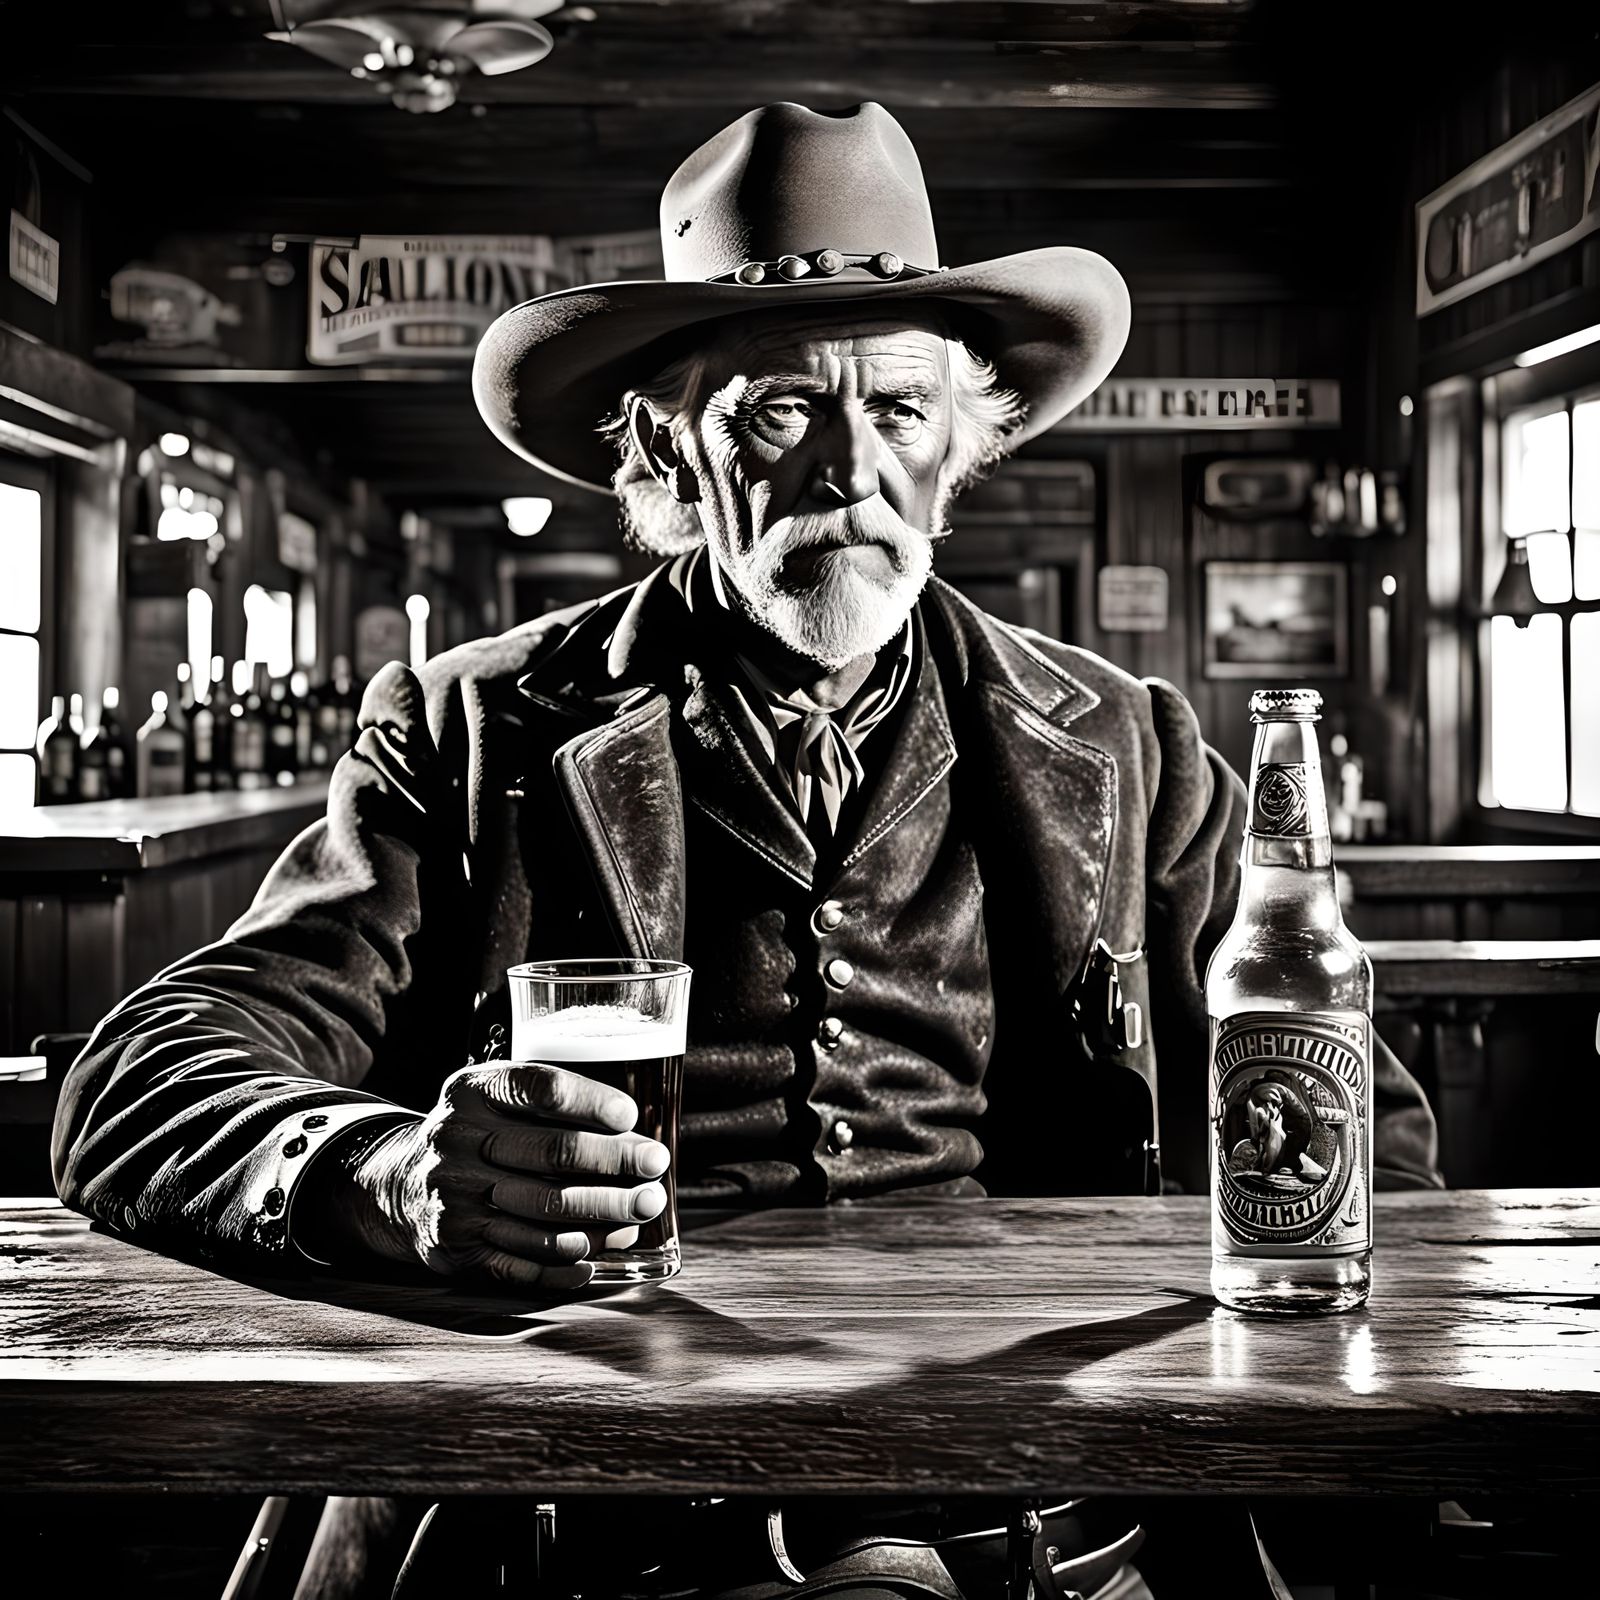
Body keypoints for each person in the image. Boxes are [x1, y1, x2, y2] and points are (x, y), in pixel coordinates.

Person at [52, 102, 1441, 1600]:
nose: (848, 469)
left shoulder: (1131, 745)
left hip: (1036, 1520)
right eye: (779, 410)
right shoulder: (470, 730)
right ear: (666, 447)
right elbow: (141, 1075)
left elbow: (1377, 1141)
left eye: (899, 411)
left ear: (969, 441)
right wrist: (385, 1172)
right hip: (574, 1522)